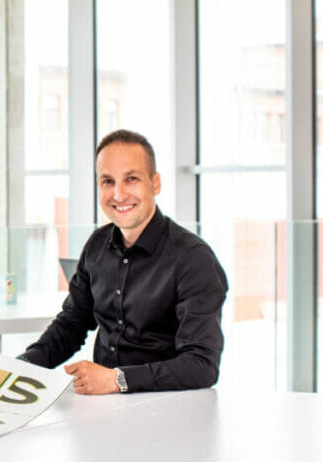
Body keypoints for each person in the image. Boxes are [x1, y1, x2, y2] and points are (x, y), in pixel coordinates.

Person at [20, 129, 227, 394]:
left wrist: (117, 379)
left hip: (169, 409)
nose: (118, 195)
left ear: (155, 184)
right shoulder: (97, 245)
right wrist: (23, 367)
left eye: (131, 179)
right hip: (103, 409)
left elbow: (202, 365)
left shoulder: (194, 259)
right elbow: (72, 324)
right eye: (107, 181)